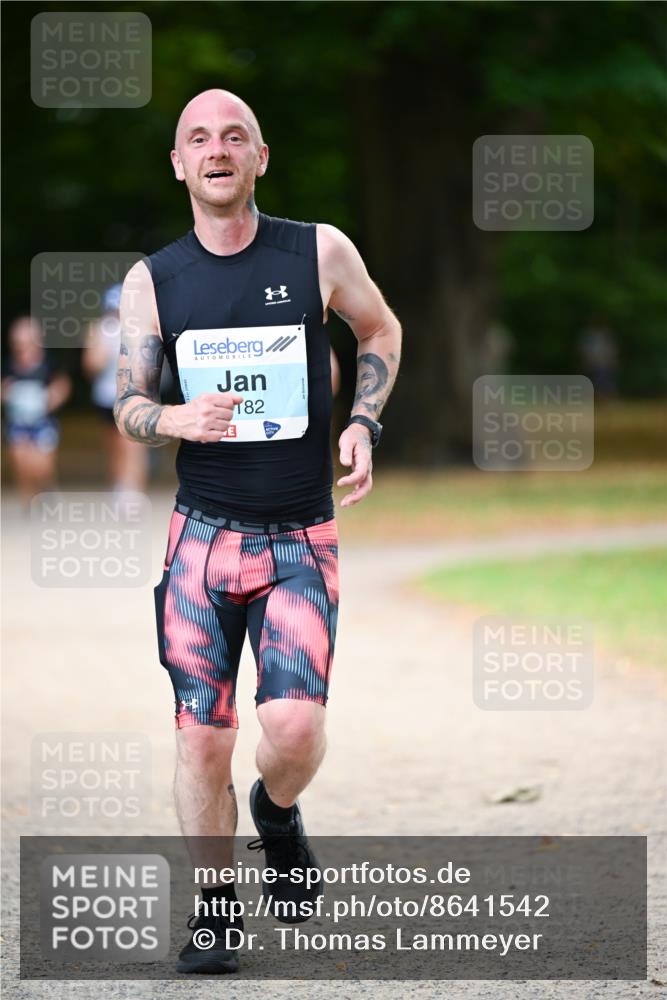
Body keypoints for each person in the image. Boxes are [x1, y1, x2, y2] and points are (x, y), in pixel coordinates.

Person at [113, 88, 401, 975]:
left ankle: (275, 813)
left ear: (260, 157)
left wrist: (363, 422)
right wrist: (173, 422)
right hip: (200, 539)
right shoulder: (152, 280)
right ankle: (213, 910)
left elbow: (378, 327)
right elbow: (127, 404)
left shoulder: (317, 250)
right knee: (201, 734)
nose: (216, 149)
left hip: (299, 538)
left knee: (295, 730)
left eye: (234, 136)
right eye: (198, 138)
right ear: (178, 164)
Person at [82, 284, 149, 492]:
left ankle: (134, 491)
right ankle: (119, 489)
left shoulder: (143, 329)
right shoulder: (99, 330)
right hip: (106, 397)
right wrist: (106, 346)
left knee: (133, 446)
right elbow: (91, 367)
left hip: (134, 395)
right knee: (114, 447)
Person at [2, 315, 71, 507]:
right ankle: (29, 503)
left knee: (42, 466)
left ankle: (47, 488)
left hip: (43, 421)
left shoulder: (49, 362)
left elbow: (63, 385)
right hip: (18, 421)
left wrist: (52, 398)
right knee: (20, 460)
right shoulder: (8, 364)